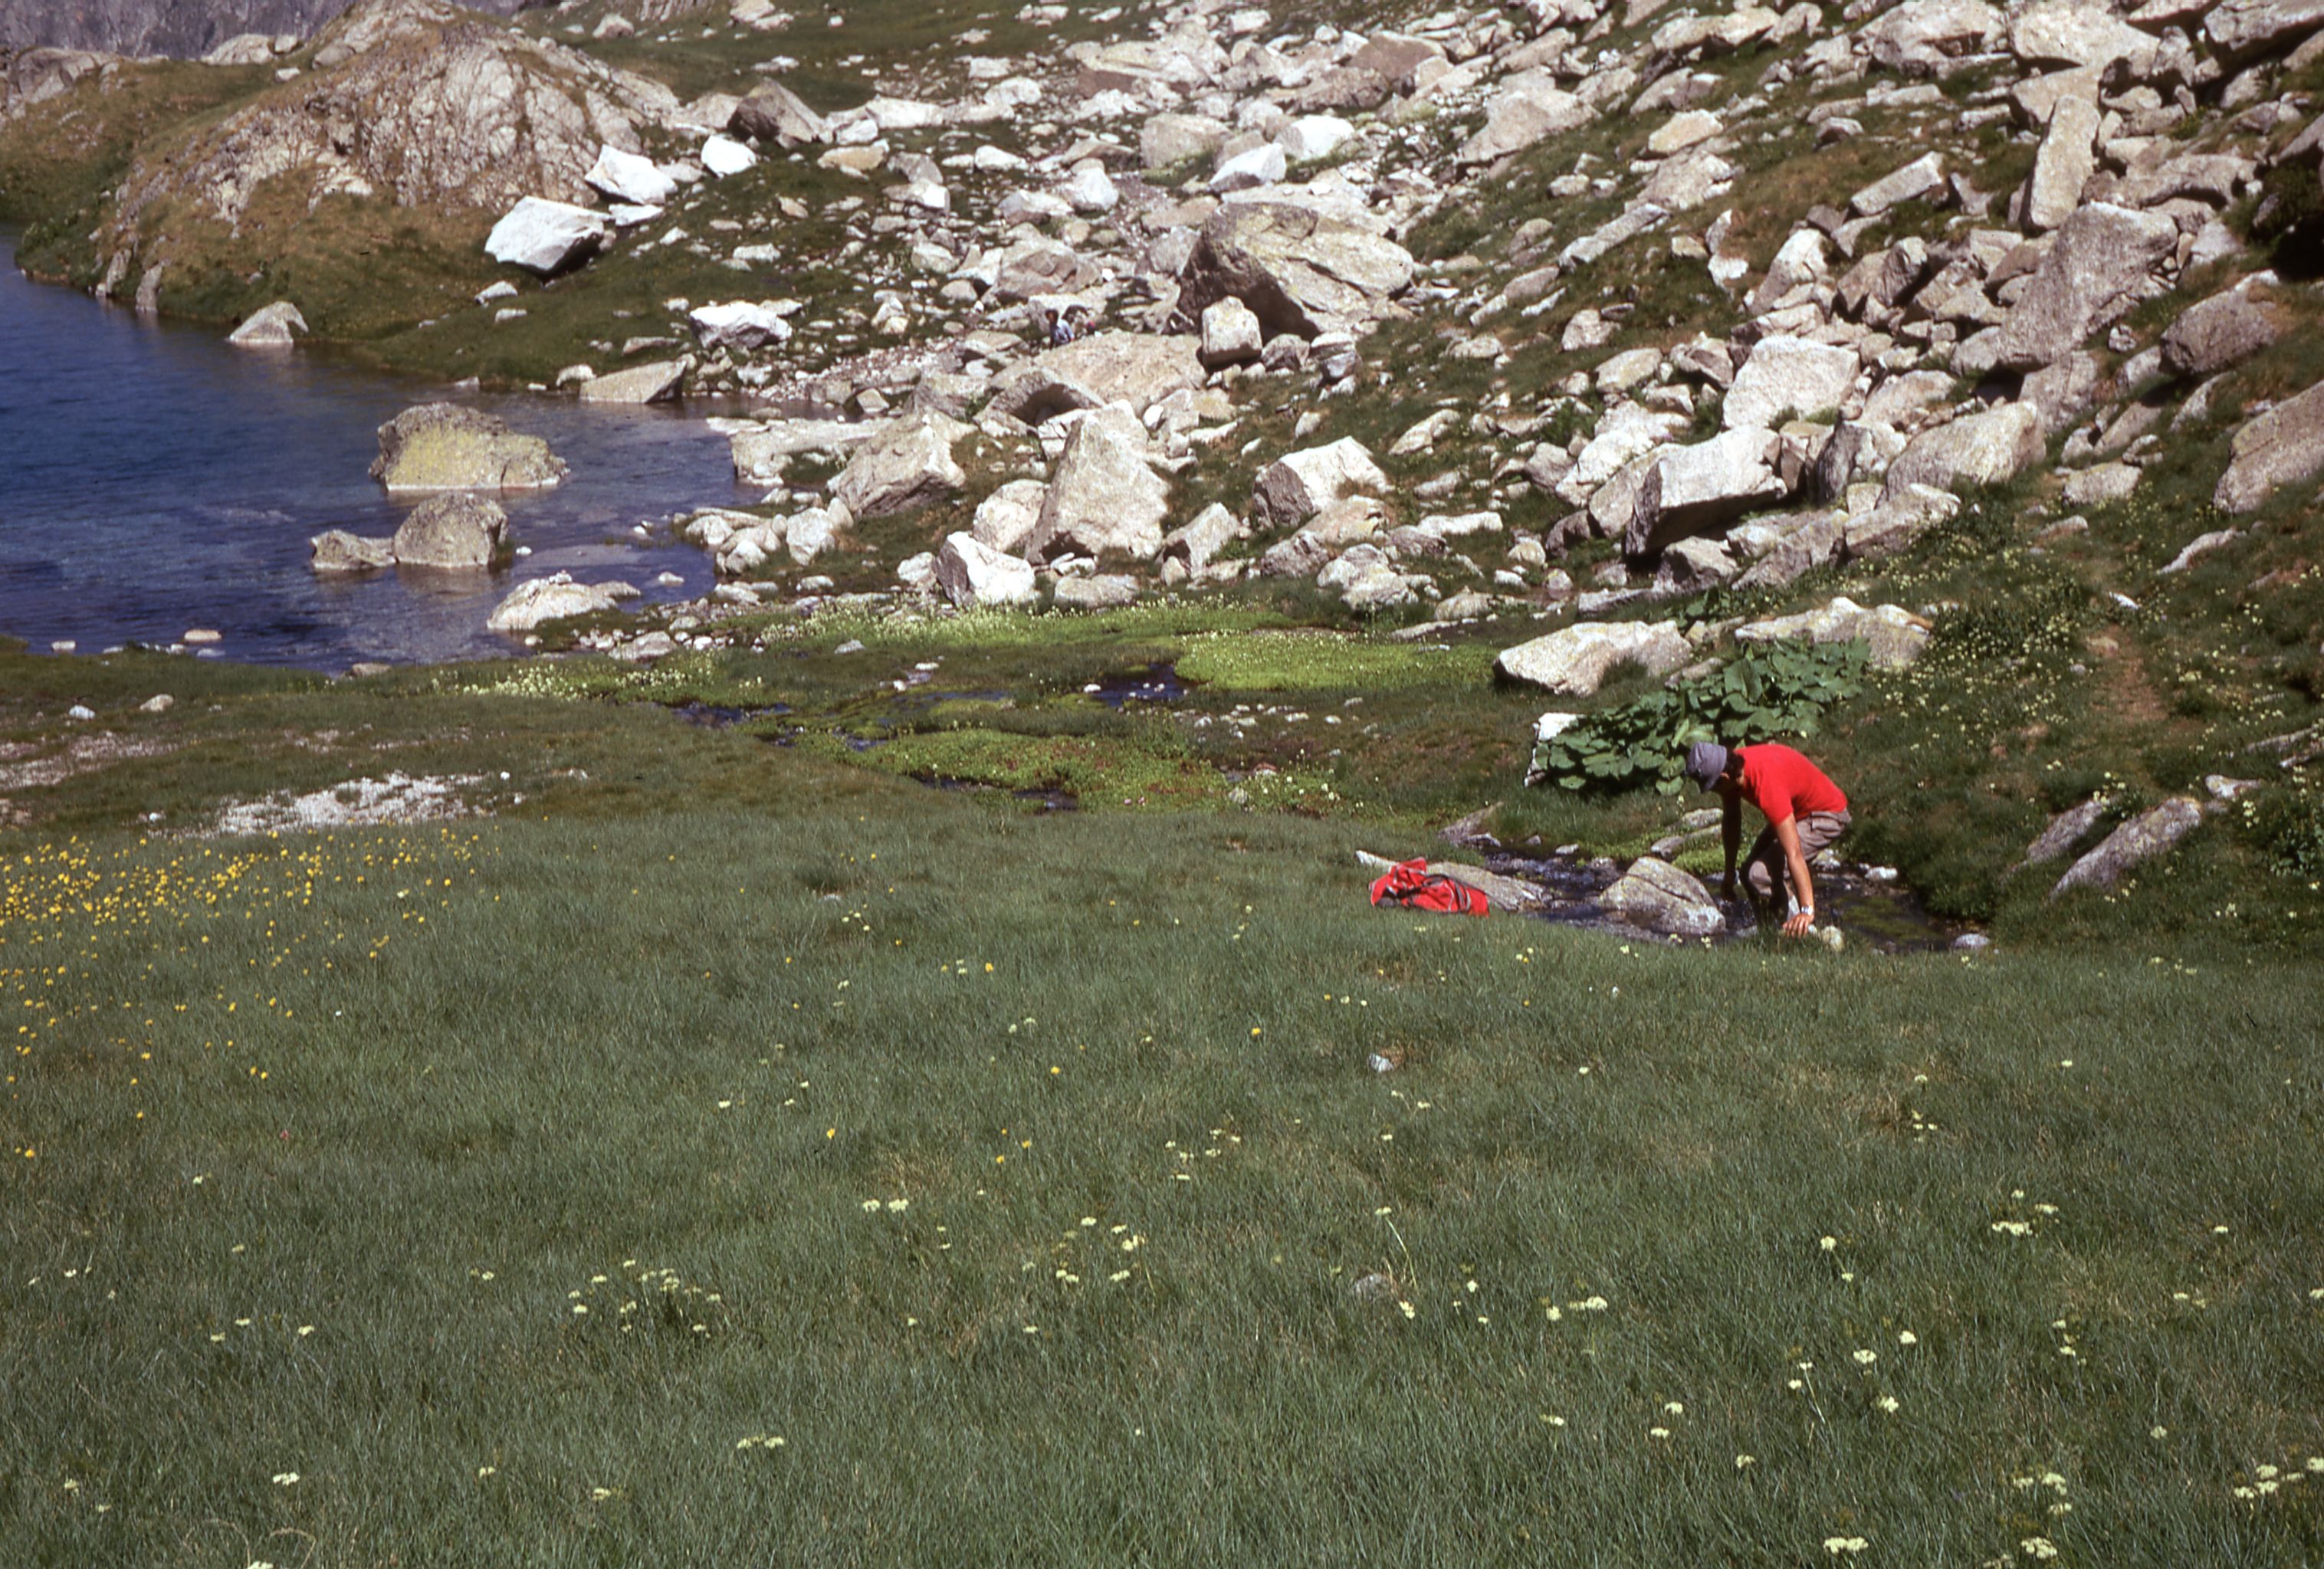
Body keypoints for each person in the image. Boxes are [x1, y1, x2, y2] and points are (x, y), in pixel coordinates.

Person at [1682, 739, 1850, 938]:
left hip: (1826, 815)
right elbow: (1732, 824)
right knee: (1747, 874)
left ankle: (1800, 933)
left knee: (1759, 875)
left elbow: (1794, 854)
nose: (1714, 793)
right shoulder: (1733, 769)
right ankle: (1768, 935)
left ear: (1724, 778)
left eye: (1713, 788)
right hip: (1794, 810)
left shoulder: (1766, 785)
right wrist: (1729, 875)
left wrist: (1807, 910)